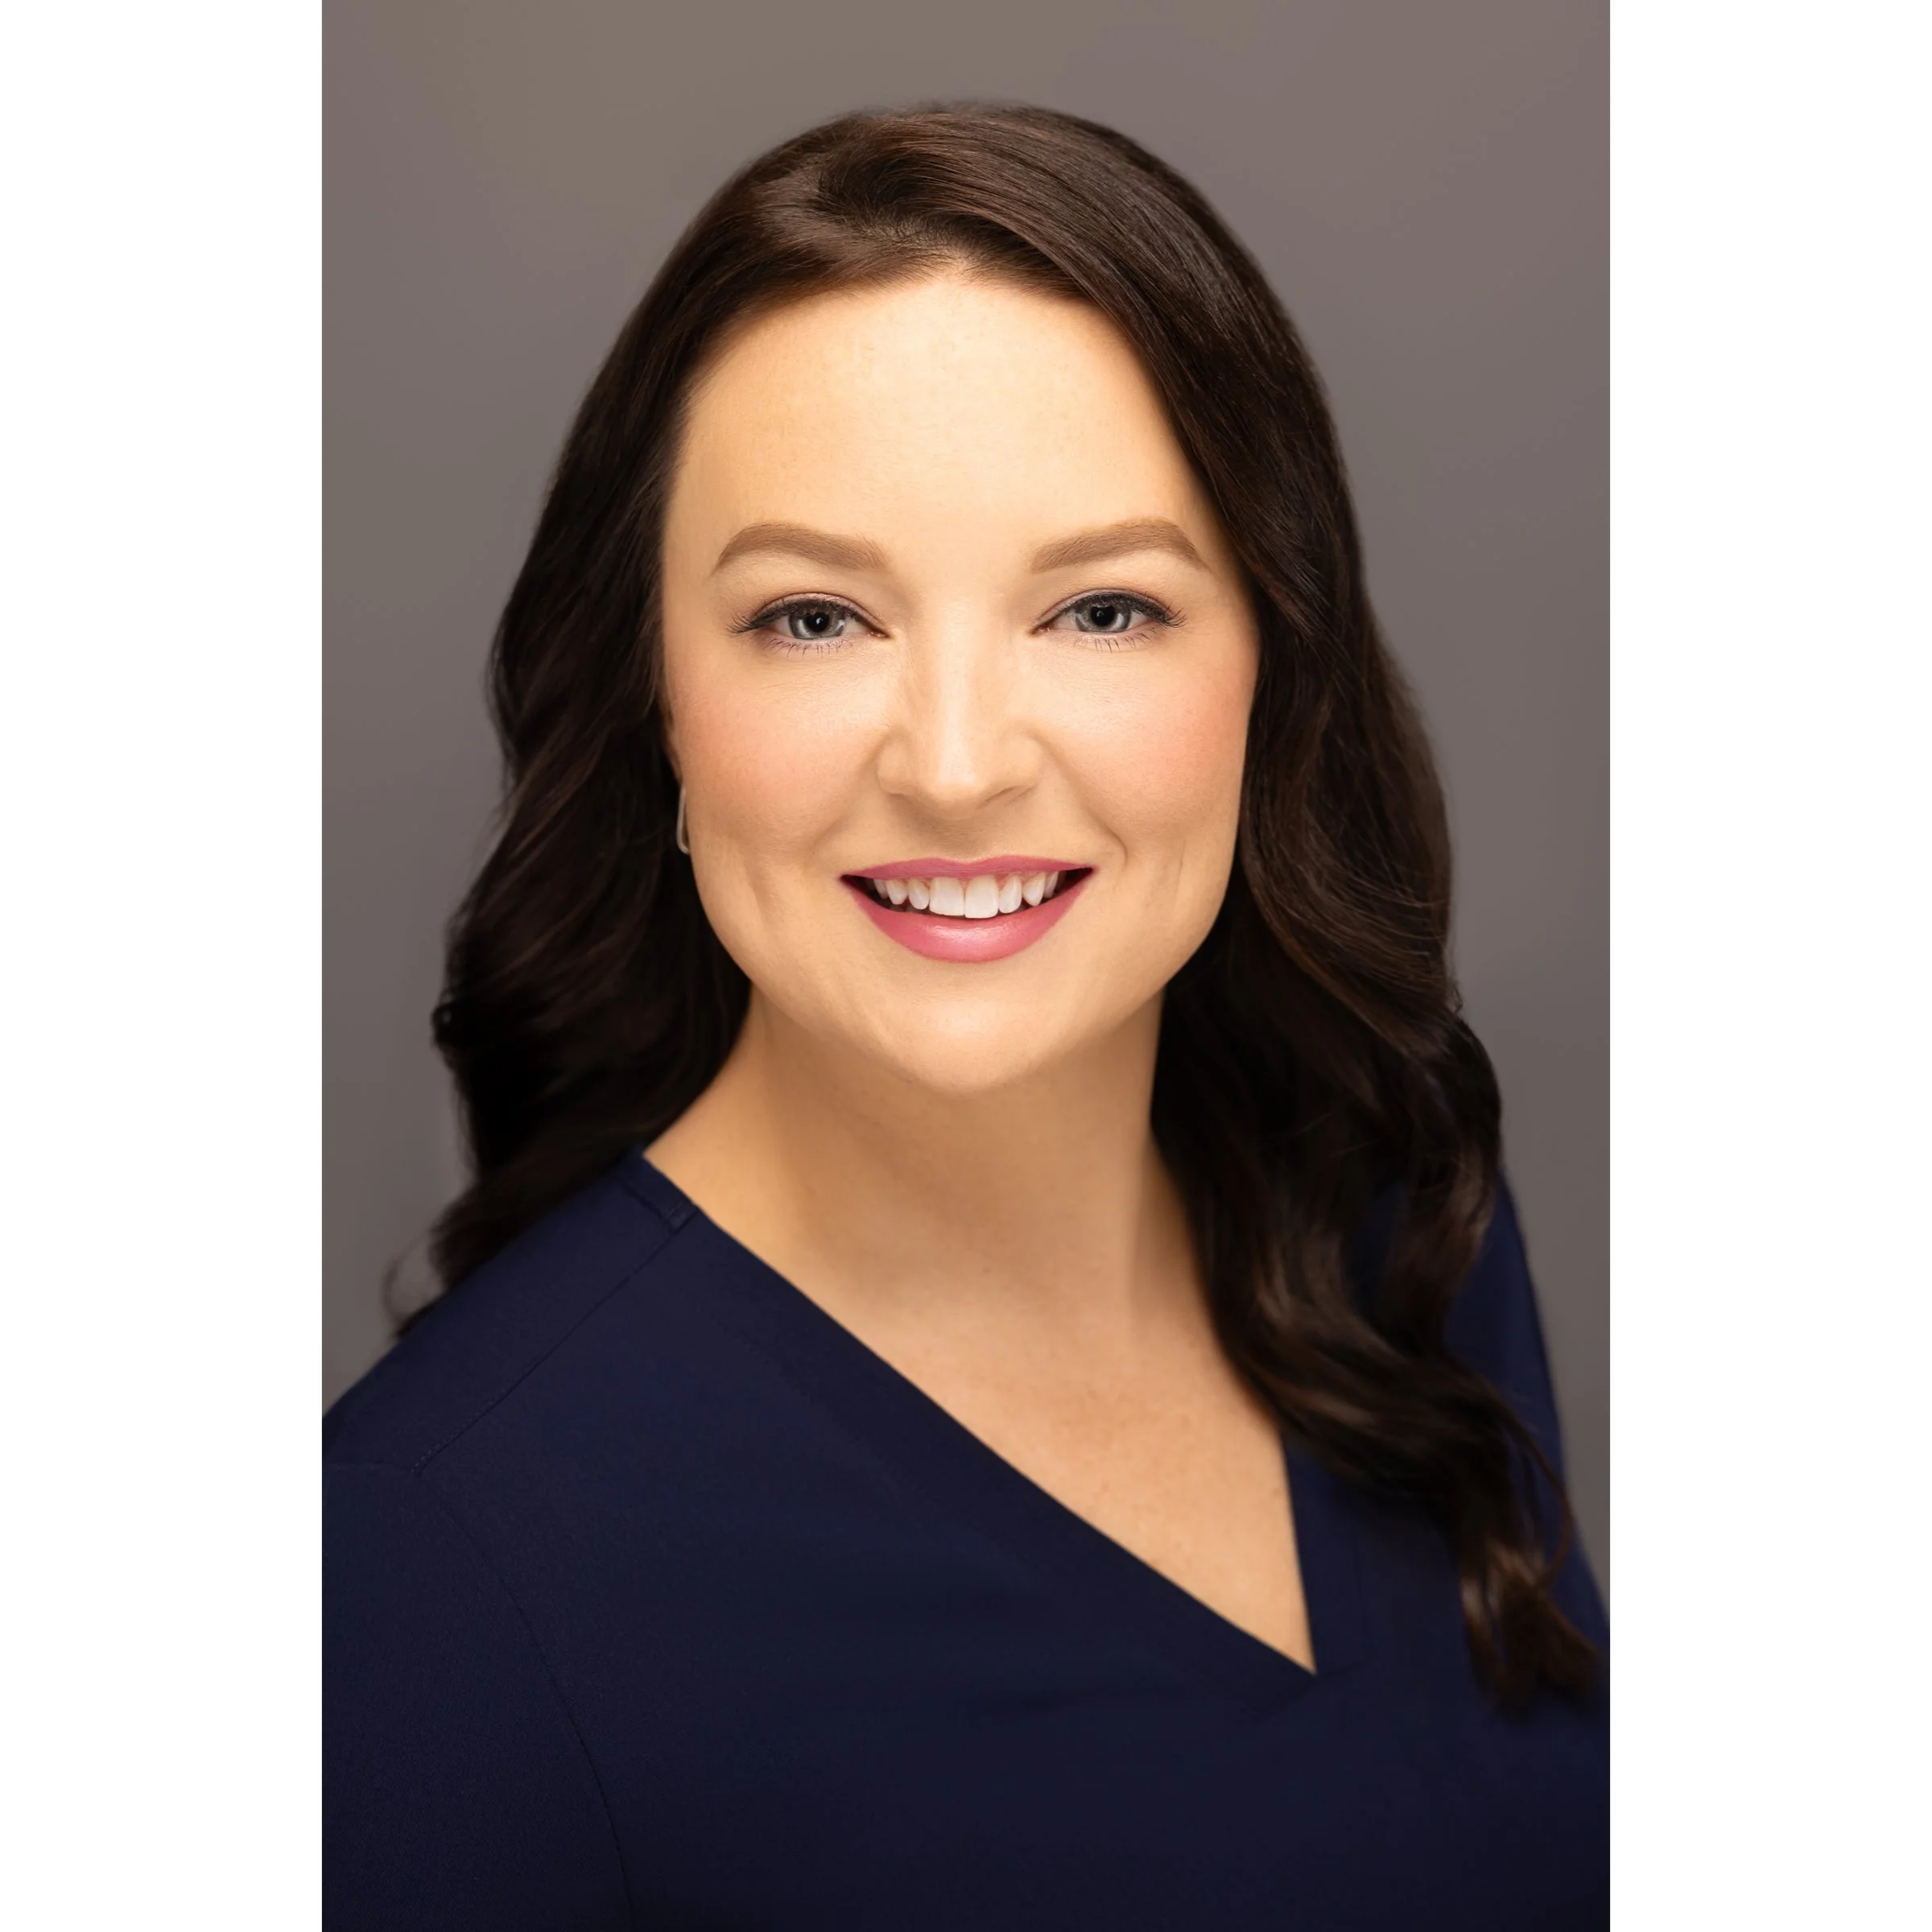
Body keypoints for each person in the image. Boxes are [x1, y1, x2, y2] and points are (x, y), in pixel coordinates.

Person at [324, 104, 1608, 1928]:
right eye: (812, 619)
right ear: (654, 709)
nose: (952, 768)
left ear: (1274, 665)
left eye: (1099, 608)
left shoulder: (1395, 1225)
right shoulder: (415, 1578)